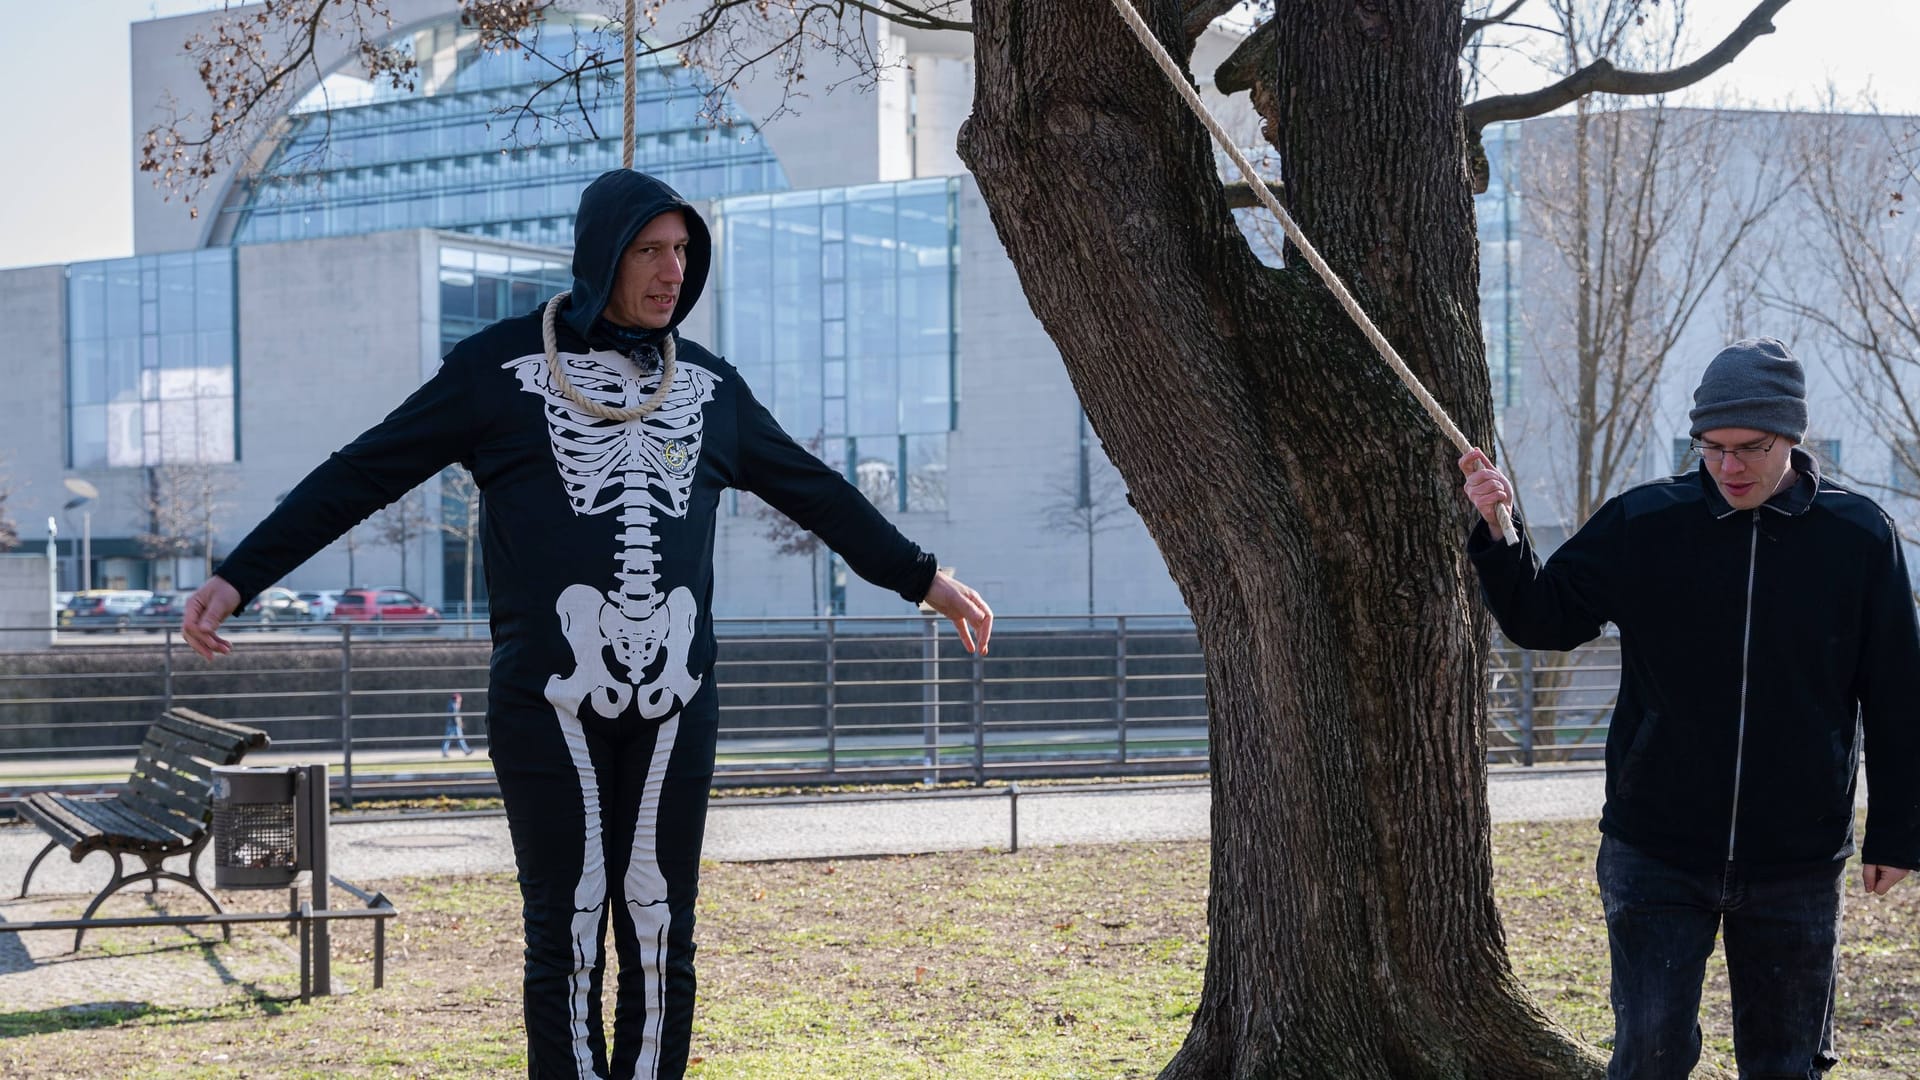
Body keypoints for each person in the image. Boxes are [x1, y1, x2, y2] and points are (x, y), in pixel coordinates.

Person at [181, 169, 993, 1080]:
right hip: (547, 700)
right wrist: (240, 574)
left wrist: (925, 579)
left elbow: (819, 494)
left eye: (684, 250)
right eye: (651, 249)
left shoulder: (713, 390)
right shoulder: (496, 373)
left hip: (679, 698)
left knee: (660, 927)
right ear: (602, 254)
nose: (672, 271)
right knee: (566, 928)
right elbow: (364, 469)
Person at [1458, 337, 1919, 1079]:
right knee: (1649, 1055)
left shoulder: (1860, 536)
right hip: (1655, 848)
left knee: (1786, 1064)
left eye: (1749, 447)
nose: (1729, 467)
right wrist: (1500, 530)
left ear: (1791, 438)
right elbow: (1544, 620)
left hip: (1796, 857)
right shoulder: (1646, 522)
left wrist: (1898, 831)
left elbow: (1898, 690)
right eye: (1711, 447)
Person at [443, 690, 471, 756]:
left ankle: (444, 752)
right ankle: (466, 751)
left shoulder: (451, 704)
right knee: (459, 739)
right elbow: (455, 716)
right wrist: (459, 723)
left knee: (448, 739)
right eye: (459, 699)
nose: (460, 700)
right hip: (454, 725)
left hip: (451, 724)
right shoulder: (454, 705)